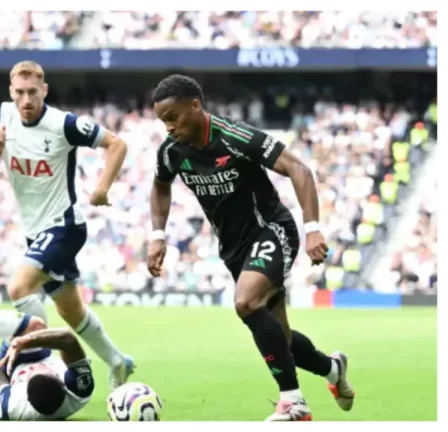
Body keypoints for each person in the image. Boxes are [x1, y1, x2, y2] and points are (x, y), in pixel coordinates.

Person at [147, 74, 355, 421]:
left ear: (195, 106)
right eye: (162, 121)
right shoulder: (172, 151)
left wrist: (313, 229)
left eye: (173, 117)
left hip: (271, 230)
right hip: (233, 247)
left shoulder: (235, 137)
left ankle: (294, 403)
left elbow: (297, 168)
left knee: (245, 301)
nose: (168, 127)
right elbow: (160, 186)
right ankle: (332, 369)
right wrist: (157, 235)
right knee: (280, 338)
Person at [0, 60, 134, 389]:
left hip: (65, 225)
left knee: (18, 288)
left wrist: (102, 187)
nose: (26, 100)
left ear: (44, 90)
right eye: (20, 93)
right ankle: (118, 361)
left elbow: (117, 144)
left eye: (33, 92)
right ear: (11, 92)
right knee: (71, 311)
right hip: (35, 232)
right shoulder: (2, 117)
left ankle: (41, 364)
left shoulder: (64, 124)